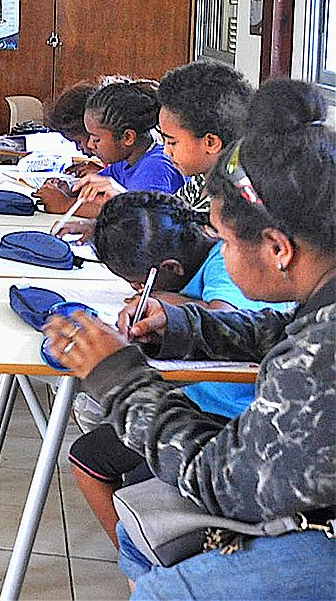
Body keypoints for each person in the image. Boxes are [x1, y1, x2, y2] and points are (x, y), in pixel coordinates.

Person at [42, 79, 336, 599]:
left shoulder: (317, 363)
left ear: (277, 248)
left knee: (163, 594)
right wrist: (179, 325)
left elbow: (218, 483)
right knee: (140, 539)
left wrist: (119, 377)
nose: (217, 253)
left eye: (221, 240)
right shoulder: (322, 307)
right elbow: (279, 333)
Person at [69, 191, 285, 545]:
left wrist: (118, 372)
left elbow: (226, 314)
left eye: (228, 242)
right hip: (205, 401)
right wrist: (172, 321)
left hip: (226, 413)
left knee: (101, 464)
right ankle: (140, 553)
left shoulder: (222, 263)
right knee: (107, 443)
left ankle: (139, 557)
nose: (224, 247)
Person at [76, 61, 253, 220]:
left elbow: (182, 237)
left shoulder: (233, 199)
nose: (167, 151)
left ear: (211, 143)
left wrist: (122, 198)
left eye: (172, 142)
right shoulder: (202, 179)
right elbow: (170, 216)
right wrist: (95, 229)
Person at [38, 79, 183, 215]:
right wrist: (69, 189)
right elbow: (98, 191)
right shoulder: (125, 162)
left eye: (96, 139)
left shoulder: (156, 166)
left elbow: (143, 219)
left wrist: (65, 204)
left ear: (127, 138)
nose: (89, 145)